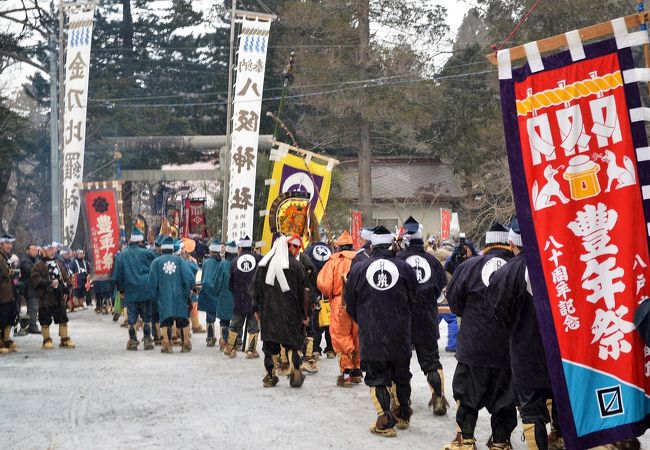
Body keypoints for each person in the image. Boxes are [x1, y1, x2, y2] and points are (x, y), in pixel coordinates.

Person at [488, 219, 563, 450]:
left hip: (525, 350)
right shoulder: (560, 263)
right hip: (562, 350)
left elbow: (499, 312)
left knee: (531, 409)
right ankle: (560, 436)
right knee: (563, 399)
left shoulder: (506, 273)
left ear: (512, 243)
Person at [444, 222, 517, 450]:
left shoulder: (469, 266)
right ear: (508, 242)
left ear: (485, 244)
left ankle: (465, 439)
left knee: (467, 397)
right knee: (505, 399)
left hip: (474, 344)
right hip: (509, 347)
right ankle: (501, 441)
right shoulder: (520, 267)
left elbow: (454, 302)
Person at [345, 226, 417, 438]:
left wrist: (366, 321)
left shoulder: (358, 268)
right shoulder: (404, 268)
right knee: (402, 375)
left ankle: (385, 419)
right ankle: (403, 413)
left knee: (377, 377)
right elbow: (413, 300)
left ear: (372, 245)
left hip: (373, 332)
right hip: (400, 332)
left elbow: (350, 303)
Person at [397, 217, 450, 416]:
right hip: (427, 316)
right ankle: (438, 396)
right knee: (431, 361)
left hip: (403, 318)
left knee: (401, 361)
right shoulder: (433, 261)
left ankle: (403, 400)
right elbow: (440, 285)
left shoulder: (399, 260)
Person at [251, 235, 310, 388]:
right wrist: (305, 314)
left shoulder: (263, 264)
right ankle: (295, 368)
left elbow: (255, 289)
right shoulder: (297, 266)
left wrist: (256, 308)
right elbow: (305, 292)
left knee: (270, 346)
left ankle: (270, 375)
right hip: (291, 312)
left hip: (269, 312)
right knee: (292, 344)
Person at [317, 230, 361, 387]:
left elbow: (323, 283)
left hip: (339, 302)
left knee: (341, 336)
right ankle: (357, 370)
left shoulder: (332, 262)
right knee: (356, 335)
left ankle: (347, 373)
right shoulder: (359, 260)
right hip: (357, 303)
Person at [148, 236, 196, 353]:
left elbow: (151, 282)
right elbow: (189, 278)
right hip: (180, 297)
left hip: (164, 297)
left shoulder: (156, 262)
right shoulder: (180, 261)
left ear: (162, 249)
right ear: (172, 250)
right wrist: (187, 292)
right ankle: (185, 344)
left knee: (165, 320)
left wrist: (155, 296)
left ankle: (166, 345)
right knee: (183, 320)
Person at [112, 227, 157, 351]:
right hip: (145, 290)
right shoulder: (148, 254)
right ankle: (147, 340)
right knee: (147, 317)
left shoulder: (122, 256)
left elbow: (117, 275)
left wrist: (121, 290)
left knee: (131, 317)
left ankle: (132, 340)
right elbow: (155, 270)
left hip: (130, 291)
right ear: (141, 241)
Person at [30, 242, 75, 350]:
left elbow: (65, 278)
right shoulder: (38, 265)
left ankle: (64, 338)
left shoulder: (58, 263)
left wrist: (66, 291)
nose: (52, 251)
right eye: (49, 250)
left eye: (53, 249)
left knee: (63, 318)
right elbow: (35, 280)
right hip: (45, 297)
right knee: (45, 319)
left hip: (58, 296)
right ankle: (46, 340)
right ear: (43, 251)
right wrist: (48, 283)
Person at [286, 233, 320, 373]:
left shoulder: (305, 260)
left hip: (304, 298)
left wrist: (312, 299)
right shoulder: (284, 260)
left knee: (308, 327)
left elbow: (311, 282)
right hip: (288, 299)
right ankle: (286, 360)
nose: (291, 249)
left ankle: (307, 358)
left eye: (294, 246)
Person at [440, 236, 478, 352]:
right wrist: (454, 256)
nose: (463, 251)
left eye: (466, 249)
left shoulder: (477, 261)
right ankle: (462, 346)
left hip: (474, 298)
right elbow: (448, 268)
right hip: (461, 297)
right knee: (459, 324)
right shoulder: (456, 260)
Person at [229, 236, 262, 358]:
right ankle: (251, 350)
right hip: (254, 297)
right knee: (253, 326)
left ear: (241, 248)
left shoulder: (234, 261)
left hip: (239, 297)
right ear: (251, 247)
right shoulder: (259, 259)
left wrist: (237, 293)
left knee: (235, 324)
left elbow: (230, 283)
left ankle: (230, 348)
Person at [304, 237, 334, 358]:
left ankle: (315, 349)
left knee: (315, 322)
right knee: (329, 321)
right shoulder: (331, 252)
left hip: (314, 291)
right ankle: (331, 349)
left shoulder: (308, 251)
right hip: (329, 290)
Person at [198, 239, 229, 349]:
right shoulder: (222, 263)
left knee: (210, 317)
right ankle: (223, 339)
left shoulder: (206, 262)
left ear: (210, 251)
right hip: (218, 292)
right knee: (222, 318)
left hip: (207, 291)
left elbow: (203, 278)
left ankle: (210, 338)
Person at [0, 234, 18, 353]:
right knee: (1, 318)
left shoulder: (6, 257)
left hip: (9, 294)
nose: (9, 246)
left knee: (9, 318)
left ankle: (6, 339)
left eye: (11, 243)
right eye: (7, 243)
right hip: (2, 295)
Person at [19, 244, 40, 334]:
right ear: (27, 250)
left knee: (34, 308)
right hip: (29, 288)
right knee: (33, 307)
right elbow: (32, 273)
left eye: (36, 250)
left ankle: (30, 325)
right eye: (33, 250)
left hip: (35, 288)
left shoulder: (36, 260)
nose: (35, 252)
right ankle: (32, 327)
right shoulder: (25, 261)